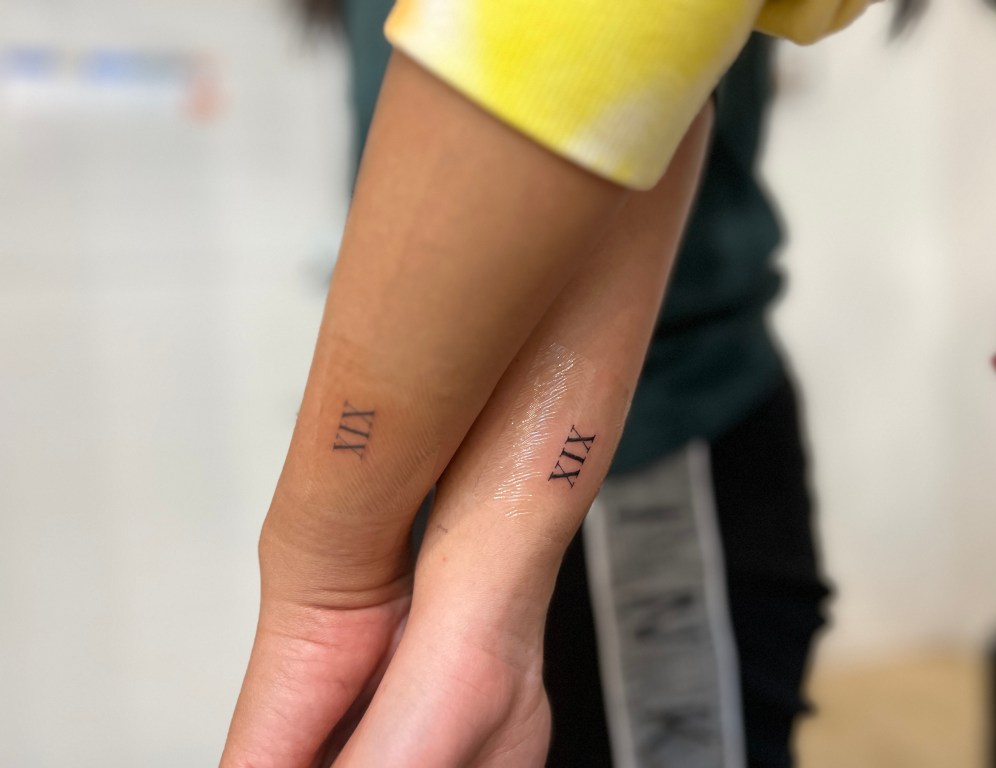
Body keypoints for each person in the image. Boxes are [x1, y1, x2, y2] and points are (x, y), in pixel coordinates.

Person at [219, 2, 879, 766]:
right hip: (441, 477)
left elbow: (612, 37)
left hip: (650, 460)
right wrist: (419, 601)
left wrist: (328, 583)